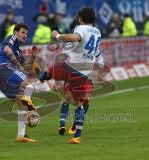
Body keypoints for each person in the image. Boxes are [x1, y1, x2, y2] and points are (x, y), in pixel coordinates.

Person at [39, 6, 105, 144]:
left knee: (52, 69)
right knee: (80, 104)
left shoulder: (80, 28)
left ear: (80, 18)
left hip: (72, 68)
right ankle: (76, 137)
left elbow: (75, 37)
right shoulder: (97, 32)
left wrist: (56, 35)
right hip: (85, 74)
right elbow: (92, 50)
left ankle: (42, 77)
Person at [0, 23, 38, 143]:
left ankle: (21, 135)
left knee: (21, 104)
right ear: (16, 33)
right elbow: (7, 50)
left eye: (26, 34)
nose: (25, 35)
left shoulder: (19, 51)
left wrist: (33, 57)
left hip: (1, 77)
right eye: (23, 32)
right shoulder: (11, 38)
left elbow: (27, 69)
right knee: (29, 86)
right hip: (4, 68)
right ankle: (29, 104)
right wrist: (19, 65)